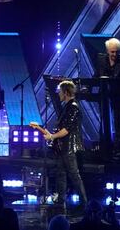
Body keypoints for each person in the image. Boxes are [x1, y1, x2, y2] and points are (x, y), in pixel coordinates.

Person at [41, 80, 88, 211]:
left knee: (74, 174)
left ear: (66, 92)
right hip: (63, 147)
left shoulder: (73, 107)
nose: (58, 94)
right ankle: (60, 200)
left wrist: (52, 136)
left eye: (60, 91)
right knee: (61, 173)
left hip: (69, 147)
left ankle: (85, 203)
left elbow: (66, 129)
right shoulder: (68, 106)